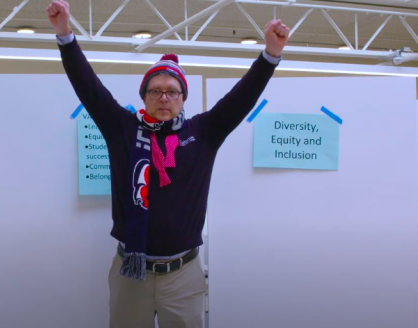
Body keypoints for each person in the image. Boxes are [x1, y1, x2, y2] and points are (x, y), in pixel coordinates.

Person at [47, 1, 289, 327]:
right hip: (131, 273)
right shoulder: (122, 129)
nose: (164, 97)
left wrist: (270, 55)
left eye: (172, 92)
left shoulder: (203, 132)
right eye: (156, 91)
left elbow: (241, 98)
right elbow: (88, 87)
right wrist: (65, 35)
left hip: (184, 275)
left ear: (183, 98)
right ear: (144, 96)